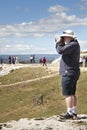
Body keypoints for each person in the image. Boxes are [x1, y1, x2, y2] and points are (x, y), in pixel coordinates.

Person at [55, 30, 80, 119]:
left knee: (68, 94)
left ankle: (69, 113)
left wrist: (58, 43)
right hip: (73, 72)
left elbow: (60, 50)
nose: (64, 38)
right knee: (72, 93)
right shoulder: (74, 44)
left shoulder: (73, 45)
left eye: (65, 37)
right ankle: (73, 112)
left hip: (68, 72)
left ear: (70, 37)